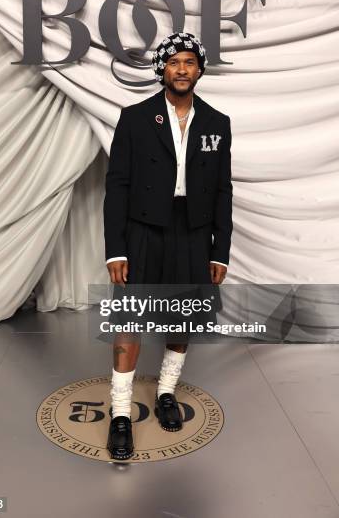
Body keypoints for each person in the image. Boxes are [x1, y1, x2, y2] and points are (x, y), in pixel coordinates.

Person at [103, 32, 233, 460]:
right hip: (143, 230)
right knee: (132, 320)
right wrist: (116, 249)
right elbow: (117, 186)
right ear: (162, 69)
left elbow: (221, 191)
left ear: (200, 69)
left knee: (182, 320)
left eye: (189, 62)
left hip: (193, 232)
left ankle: (164, 392)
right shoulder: (135, 118)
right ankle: (121, 413)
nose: (182, 69)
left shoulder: (217, 123)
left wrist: (220, 250)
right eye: (174, 61)